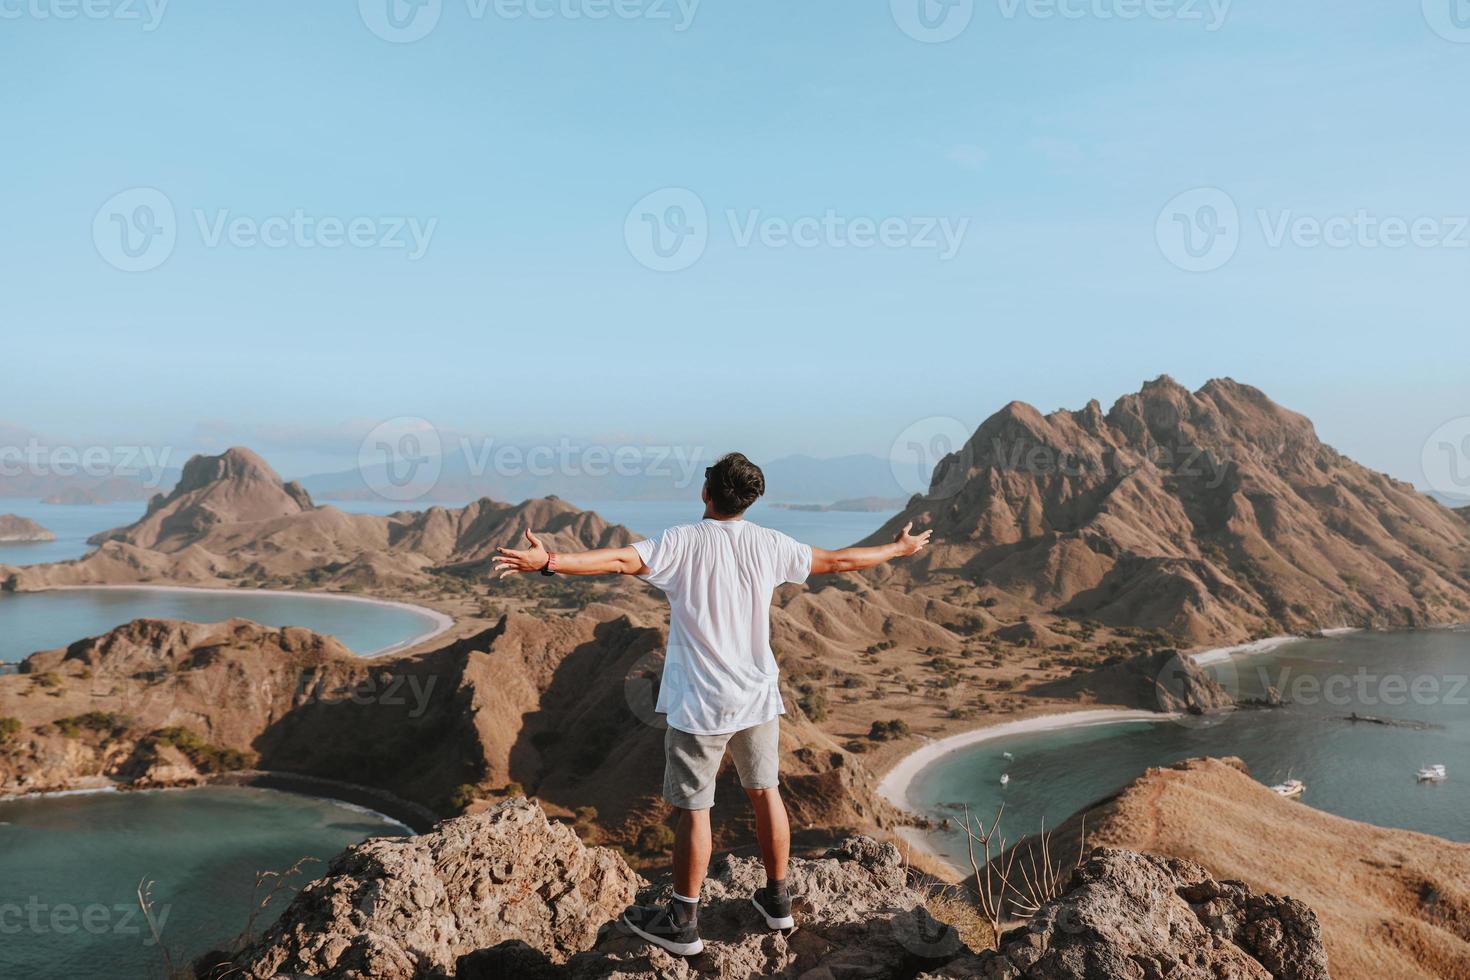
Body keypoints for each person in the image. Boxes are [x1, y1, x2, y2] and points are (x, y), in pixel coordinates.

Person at [492, 452, 932, 956]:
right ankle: (778, 899)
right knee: (766, 792)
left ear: (707, 493)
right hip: (758, 695)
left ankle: (683, 921)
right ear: (750, 499)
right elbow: (838, 560)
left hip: (701, 702)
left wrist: (547, 561)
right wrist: (897, 550)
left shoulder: (682, 541)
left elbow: (616, 560)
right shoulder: (770, 544)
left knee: (696, 808)